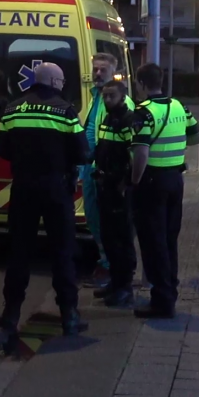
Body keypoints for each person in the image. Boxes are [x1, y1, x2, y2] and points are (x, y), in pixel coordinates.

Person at [0, 60, 93, 338]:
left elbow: (0, 148)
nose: (62, 86)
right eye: (60, 82)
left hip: (23, 187)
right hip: (55, 188)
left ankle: (11, 314)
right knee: (62, 252)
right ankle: (69, 316)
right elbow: (83, 152)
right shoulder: (65, 110)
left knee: (19, 252)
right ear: (51, 82)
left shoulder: (13, 108)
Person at [128, 61, 199, 319]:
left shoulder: (143, 112)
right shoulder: (178, 106)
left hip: (151, 183)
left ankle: (161, 300)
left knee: (153, 241)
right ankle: (170, 290)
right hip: (175, 180)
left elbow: (140, 152)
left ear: (141, 84)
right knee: (170, 240)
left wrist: (135, 181)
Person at [87, 76, 145, 309]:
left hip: (119, 188)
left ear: (123, 96)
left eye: (112, 95)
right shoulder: (108, 119)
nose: (108, 99)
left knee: (122, 239)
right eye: (105, 96)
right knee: (108, 237)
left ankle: (125, 287)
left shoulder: (128, 120)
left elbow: (134, 154)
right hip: (105, 185)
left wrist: (125, 183)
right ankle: (115, 283)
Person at [77, 51, 120, 289]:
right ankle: (105, 262)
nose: (98, 73)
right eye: (96, 69)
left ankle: (108, 267)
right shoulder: (96, 96)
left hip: (102, 172)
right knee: (94, 219)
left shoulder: (116, 100)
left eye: (103, 69)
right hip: (90, 169)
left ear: (114, 72)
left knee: (105, 223)